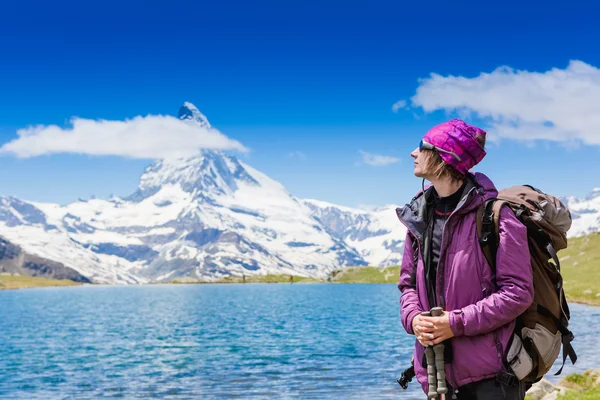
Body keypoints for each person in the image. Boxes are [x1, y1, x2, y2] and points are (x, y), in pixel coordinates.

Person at [396, 119, 534, 399]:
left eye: (422, 147)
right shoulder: (418, 216)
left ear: (445, 156)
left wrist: (454, 323)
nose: (413, 153)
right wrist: (413, 319)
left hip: (491, 379)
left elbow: (518, 293)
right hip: (435, 374)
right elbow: (407, 285)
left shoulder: (495, 217)